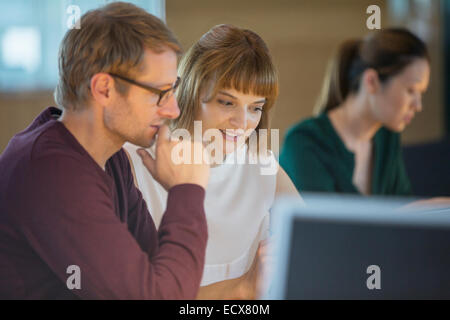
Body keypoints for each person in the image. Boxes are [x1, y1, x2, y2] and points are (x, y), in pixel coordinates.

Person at [0, 2, 210, 299]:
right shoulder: (52, 172)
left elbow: (155, 273)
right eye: (160, 93)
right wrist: (187, 190)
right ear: (104, 89)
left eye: (173, 89)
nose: (173, 109)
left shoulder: (111, 160)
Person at [125, 24, 301, 299]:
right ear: (192, 93)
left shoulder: (260, 164)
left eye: (255, 108)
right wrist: (244, 287)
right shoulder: (134, 162)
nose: (242, 123)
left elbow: (317, 242)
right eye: (227, 103)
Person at [280, 28, 430, 196]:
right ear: (371, 81)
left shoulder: (388, 137)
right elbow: (323, 220)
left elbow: (403, 205)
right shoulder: (303, 142)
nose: (418, 106)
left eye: (421, 93)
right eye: (411, 91)